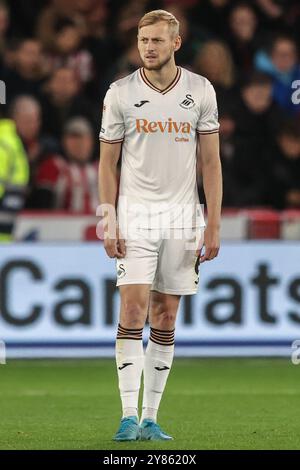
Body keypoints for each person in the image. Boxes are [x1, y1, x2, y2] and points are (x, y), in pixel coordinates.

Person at [98, 9, 222, 441]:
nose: (148, 47)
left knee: (166, 316)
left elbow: (211, 162)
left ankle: (151, 417)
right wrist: (107, 218)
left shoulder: (200, 90)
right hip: (136, 216)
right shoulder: (120, 93)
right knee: (133, 308)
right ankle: (127, 414)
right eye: (142, 40)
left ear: (176, 43)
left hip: (185, 218)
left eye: (156, 40)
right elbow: (107, 165)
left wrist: (214, 224)